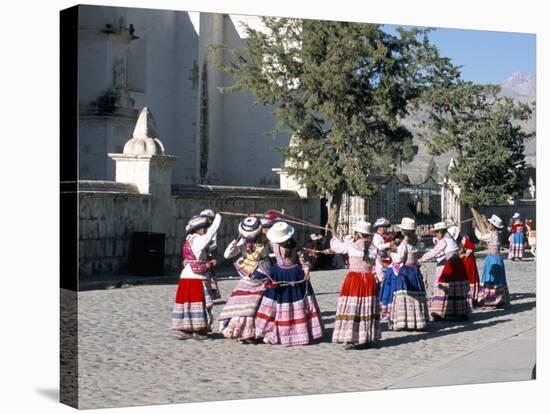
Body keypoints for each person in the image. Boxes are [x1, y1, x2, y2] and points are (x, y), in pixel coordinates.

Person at [254, 221, 324, 346]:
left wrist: (306, 271)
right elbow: (263, 254)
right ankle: (267, 330)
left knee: (295, 303)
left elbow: (304, 259)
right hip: (277, 273)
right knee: (273, 303)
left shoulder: (295, 245)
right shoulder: (272, 243)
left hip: (293, 275)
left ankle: (295, 333)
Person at [218, 217, 272, 343]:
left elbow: (227, 255)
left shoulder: (262, 241)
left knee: (248, 303)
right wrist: (234, 244)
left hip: (256, 275)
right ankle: (251, 331)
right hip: (257, 274)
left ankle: (250, 331)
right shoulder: (260, 241)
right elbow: (227, 255)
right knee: (256, 304)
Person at [330, 221, 381, 349]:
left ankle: (350, 336)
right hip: (368, 280)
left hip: (354, 279)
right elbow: (378, 266)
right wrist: (380, 279)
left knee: (352, 307)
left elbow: (337, 247)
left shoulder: (351, 245)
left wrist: (333, 234)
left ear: (358, 233)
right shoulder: (374, 248)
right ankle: (366, 337)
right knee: (366, 307)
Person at [171, 213, 222, 340]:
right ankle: (198, 331)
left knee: (187, 303)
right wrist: (218, 218)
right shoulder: (199, 240)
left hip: (186, 277)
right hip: (196, 278)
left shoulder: (189, 239)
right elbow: (211, 233)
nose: (205, 230)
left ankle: (186, 329)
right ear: (198, 229)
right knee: (199, 303)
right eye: (203, 227)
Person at [418, 221, 469, 321]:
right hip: (458, 264)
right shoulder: (450, 238)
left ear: (440, 232)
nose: (436, 235)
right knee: (455, 288)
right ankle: (458, 311)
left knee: (442, 286)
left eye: (436, 233)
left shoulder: (444, 241)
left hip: (451, 265)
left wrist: (420, 260)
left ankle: (439, 311)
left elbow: (434, 252)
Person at [387, 218, 430, 330]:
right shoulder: (417, 242)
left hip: (405, 271)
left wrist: (391, 254)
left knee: (405, 295)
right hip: (415, 271)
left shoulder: (404, 244)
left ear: (403, 231)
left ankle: (405, 321)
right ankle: (417, 321)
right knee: (416, 295)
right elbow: (419, 255)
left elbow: (399, 259)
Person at [477, 214, 510, 306]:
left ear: (493, 225)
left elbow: (480, 236)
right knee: (499, 279)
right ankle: (501, 298)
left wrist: (475, 227)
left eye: (490, 224)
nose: (489, 225)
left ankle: (492, 299)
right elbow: (490, 229)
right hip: (498, 259)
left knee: (491, 278)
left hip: (492, 260)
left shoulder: (490, 235)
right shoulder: (496, 233)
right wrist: (485, 221)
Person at [448, 225, 480, 309]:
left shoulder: (464, 239)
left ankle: (472, 299)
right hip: (461, 261)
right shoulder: (454, 241)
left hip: (468, 261)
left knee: (470, 278)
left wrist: (465, 254)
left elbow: (471, 247)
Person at [199, 209, 221, 299]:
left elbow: (214, 245)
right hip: (200, 258)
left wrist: (214, 257)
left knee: (209, 276)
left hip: (208, 257)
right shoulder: (199, 231)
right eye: (207, 219)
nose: (209, 221)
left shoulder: (212, 230)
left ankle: (209, 295)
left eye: (211, 219)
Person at [372, 218, 393, 283]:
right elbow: (379, 246)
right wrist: (389, 244)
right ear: (379, 228)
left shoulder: (386, 236)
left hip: (388, 258)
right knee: (381, 274)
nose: (385, 229)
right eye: (383, 227)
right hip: (380, 259)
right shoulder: (376, 237)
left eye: (386, 227)